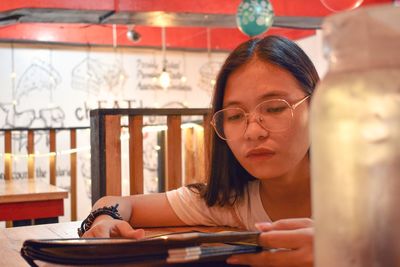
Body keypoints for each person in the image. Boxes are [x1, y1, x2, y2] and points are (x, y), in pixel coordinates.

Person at [81, 35, 319, 267]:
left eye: (275, 108)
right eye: (235, 115)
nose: (252, 131)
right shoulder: (232, 202)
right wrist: (105, 219)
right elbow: (119, 203)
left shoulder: (354, 197)